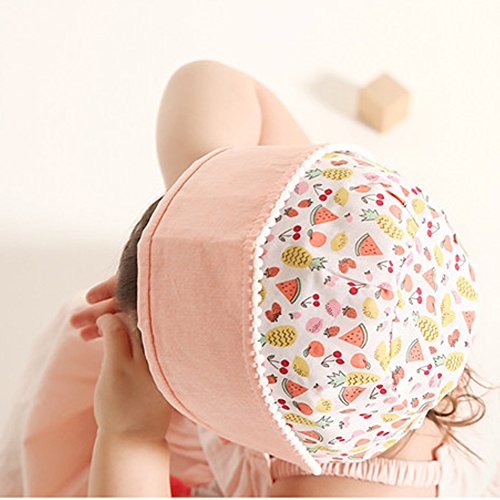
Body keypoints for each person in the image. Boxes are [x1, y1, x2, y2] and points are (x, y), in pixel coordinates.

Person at [1, 59, 499, 497]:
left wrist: (132, 436)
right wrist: (176, 259)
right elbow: (209, 80)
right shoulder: (336, 233)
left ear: (230, 405)